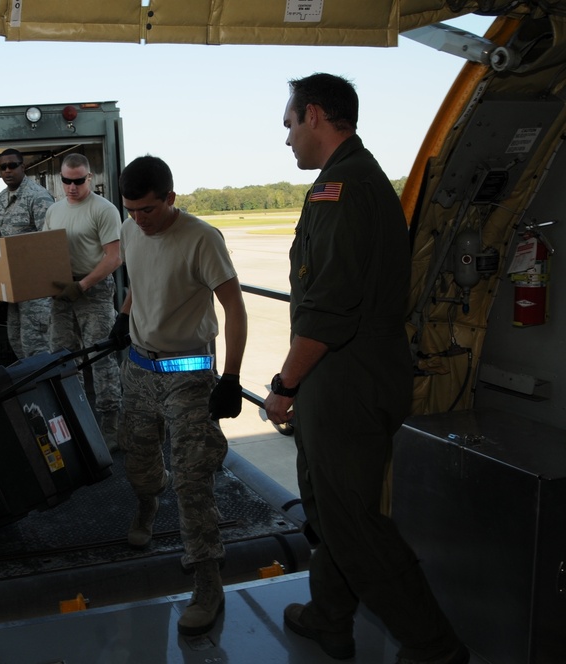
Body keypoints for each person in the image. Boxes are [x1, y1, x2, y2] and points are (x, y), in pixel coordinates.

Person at [264, 73, 467, 664]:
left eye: (290, 125)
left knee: (352, 521)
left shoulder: (343, 187)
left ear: (315, 116)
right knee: (330, 506)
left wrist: (284, 385)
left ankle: (433, 645)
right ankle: (331, 615)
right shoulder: (351, 178)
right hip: (353, 373)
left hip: (346, 377)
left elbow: (328, 312)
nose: (287, 140)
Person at [112, 155, 247, 636]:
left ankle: (208, 580)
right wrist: (123, 317)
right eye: (130, 210)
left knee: (192, 476)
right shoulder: (131, 230)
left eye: (147, 209)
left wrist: (230, 377)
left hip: (188, 371)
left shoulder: (201, 238)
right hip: (140, 368)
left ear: (170, 198)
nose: (138, 219)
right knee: (138, 456)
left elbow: (234, 306)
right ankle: (148, 499)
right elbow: (136, 280)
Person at [44, 153, 123, 449]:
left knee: (100, 357)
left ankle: (111, 425)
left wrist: (84, 284)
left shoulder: (103, 210)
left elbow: (114, 257)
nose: (72, 187)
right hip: (63, 291)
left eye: (78, 181)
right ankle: (75, 419)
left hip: (95, 290)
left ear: (88, 178)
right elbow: (45, 251)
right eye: (66, 181)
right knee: (62, 357)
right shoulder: (54, 211)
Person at [0, 148, 55, 359]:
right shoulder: (1, 200)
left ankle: (49, 391)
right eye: (3, 167)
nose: (7, 171)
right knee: (17, 341)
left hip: (36, 290)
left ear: (23, 167)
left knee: (37, 347)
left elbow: (48, 244)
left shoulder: (38, 197)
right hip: (13, 289)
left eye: (12, 166)